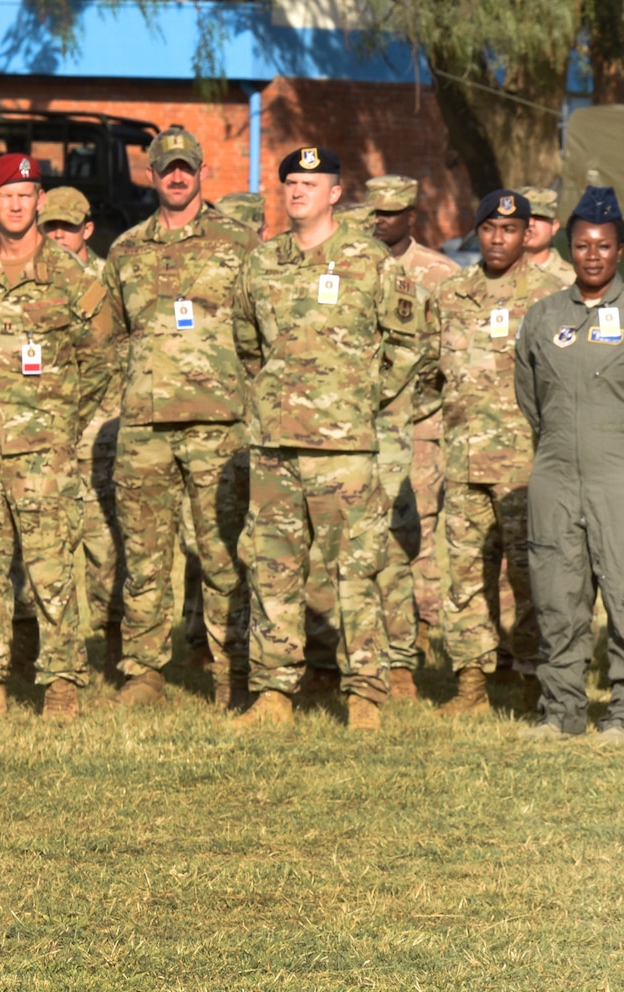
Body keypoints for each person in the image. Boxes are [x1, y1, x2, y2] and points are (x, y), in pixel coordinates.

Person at [230, 146, 428, 731]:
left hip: (345, 448)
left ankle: (365, 692)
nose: (298, 192)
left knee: (356, 570)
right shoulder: (262, 263)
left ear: (336, 193)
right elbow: (246, 343)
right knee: (273, 570)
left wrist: (361, 398)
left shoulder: (370, 262)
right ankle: (273, 694)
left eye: (311, 184)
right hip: (274, 446)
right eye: (290, 182)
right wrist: (274, 398)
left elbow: (410, 341)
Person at [513, 186, 624, 742]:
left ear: (620, 251)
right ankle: (560, 711)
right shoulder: (542, 317)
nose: (593, 255)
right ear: (572, 247)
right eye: (584, 245)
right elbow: (529, 394)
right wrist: (562, 445)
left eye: (605, 246)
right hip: (557, 468)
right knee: (558, 592)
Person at [0, 152, 124, 723]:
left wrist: (62, 419)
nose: (18, 204)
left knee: (51, 571)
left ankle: (61, 686)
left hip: (44, 454)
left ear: (39, 202)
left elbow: (104, 354)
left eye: (27, 195)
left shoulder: (74, 277)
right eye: (7, 195)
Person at [103, 125, 260, 710]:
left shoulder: (239, 243)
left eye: (186, 167)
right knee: (144, 556)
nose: (176, 176)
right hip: (143, 427)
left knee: (223, 554)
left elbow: (258, 335)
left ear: (200, 173)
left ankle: (230, 670)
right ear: (151, 174)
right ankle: (143, 673)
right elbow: (109, 335)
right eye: (166, 167)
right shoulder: (125, 250)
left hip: (217, 426)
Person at [434, 189, 566, 716]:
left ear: (526, 233)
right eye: (488, 228)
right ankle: (471, 685)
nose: (497, 238)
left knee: (531, 576)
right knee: (464, 577)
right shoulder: (452, 294)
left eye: (509, 230)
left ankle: (537, 680)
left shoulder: (551, 297)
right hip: (463, 462)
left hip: (524, 466)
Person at [364, 174, 459, 698]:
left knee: (414, 535)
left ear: (411, 217)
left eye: (391, 212)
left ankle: (417, 637)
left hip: (420, 426)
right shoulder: (352, 266)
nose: (380, 220)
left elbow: (451, 352)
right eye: (373, 210)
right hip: (362, 425)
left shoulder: (439, 273)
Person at [38, 184, 124, 661]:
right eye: (48, 225)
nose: (56, 235)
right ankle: (31, 646)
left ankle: (111, 646)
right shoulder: (29, 276)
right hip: (40, 435)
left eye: (66, 228)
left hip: (95, 437)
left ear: (86, 230)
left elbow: (119, 350)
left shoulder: (103, 281)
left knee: (103, 547)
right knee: (38, 551)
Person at [518, 187, 578, 287]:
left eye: (539, 217)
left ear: (554, 226)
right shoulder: (492, 274)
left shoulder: (574, 281)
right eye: (523, 217)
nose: (530, 223)